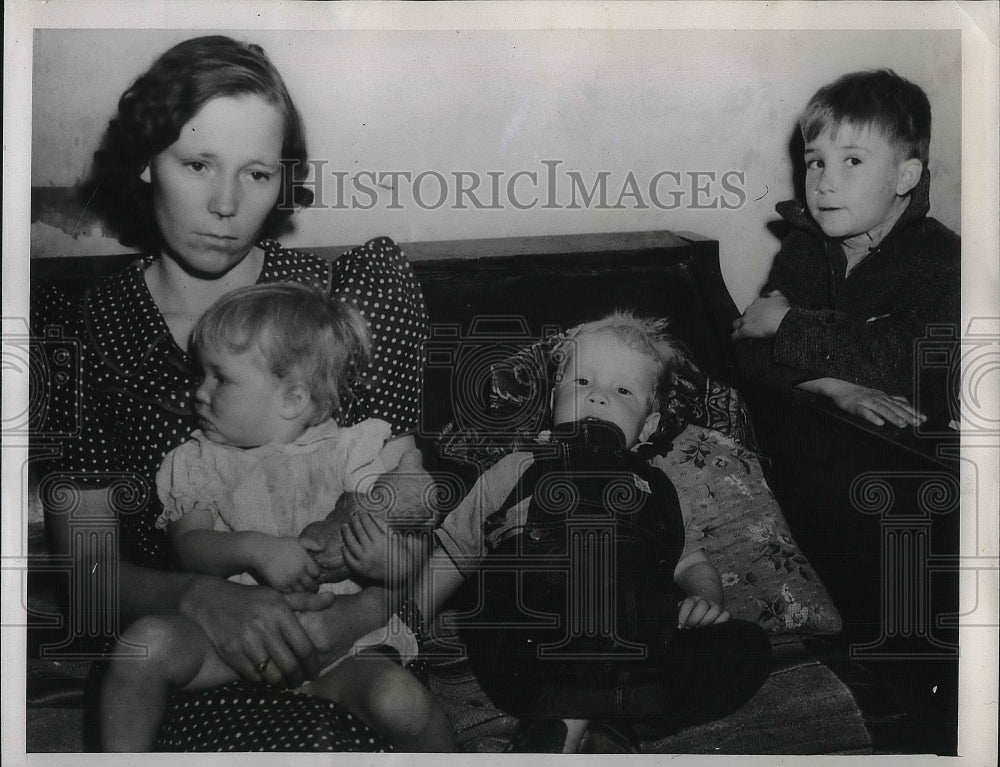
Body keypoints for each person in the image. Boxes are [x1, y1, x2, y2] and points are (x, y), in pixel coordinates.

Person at [30, 35, 432, 751]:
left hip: (346, 640)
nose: (224, 204)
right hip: (190, 657)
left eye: (255, 174)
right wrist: (202, 596)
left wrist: (351, 607)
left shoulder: (348, 301)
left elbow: (410, 502)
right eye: (196, 164)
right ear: (147, 164)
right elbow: (87, 578)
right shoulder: (82, 332)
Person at [375, 313, 771, 753]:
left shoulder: (658, 488)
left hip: (635, 638)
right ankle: (576, 722)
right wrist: (408, 622)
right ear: (552, 403)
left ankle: (603, 720)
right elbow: (455, 551)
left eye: (622, 391)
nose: (598, 397)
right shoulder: (520, 466)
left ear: (649, 427)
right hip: (531, 631)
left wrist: (706, 600)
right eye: (582, 382)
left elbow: (693, 562)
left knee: (746, 646)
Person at [99, 283, 453, 752]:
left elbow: (402, 545)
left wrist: (385, 559)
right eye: (199, 375)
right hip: (230, 651)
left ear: (292, 399)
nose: (198, 393)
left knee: (402, 702)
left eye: (219, 378)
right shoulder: (197, 462)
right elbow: (189, 547)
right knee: (142, 647)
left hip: (341, 651)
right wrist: (253, 549)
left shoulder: (355, 452)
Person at [732, 69, 960, 428]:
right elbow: (749, 347)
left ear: (905, 177)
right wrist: (835, 387)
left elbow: (899, 361)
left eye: (852, 160)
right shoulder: (803, 245)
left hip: (909, 455)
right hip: (814, 435)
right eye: (816, 162)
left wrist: (783, 322)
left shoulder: (944, 258)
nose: (824, 183)